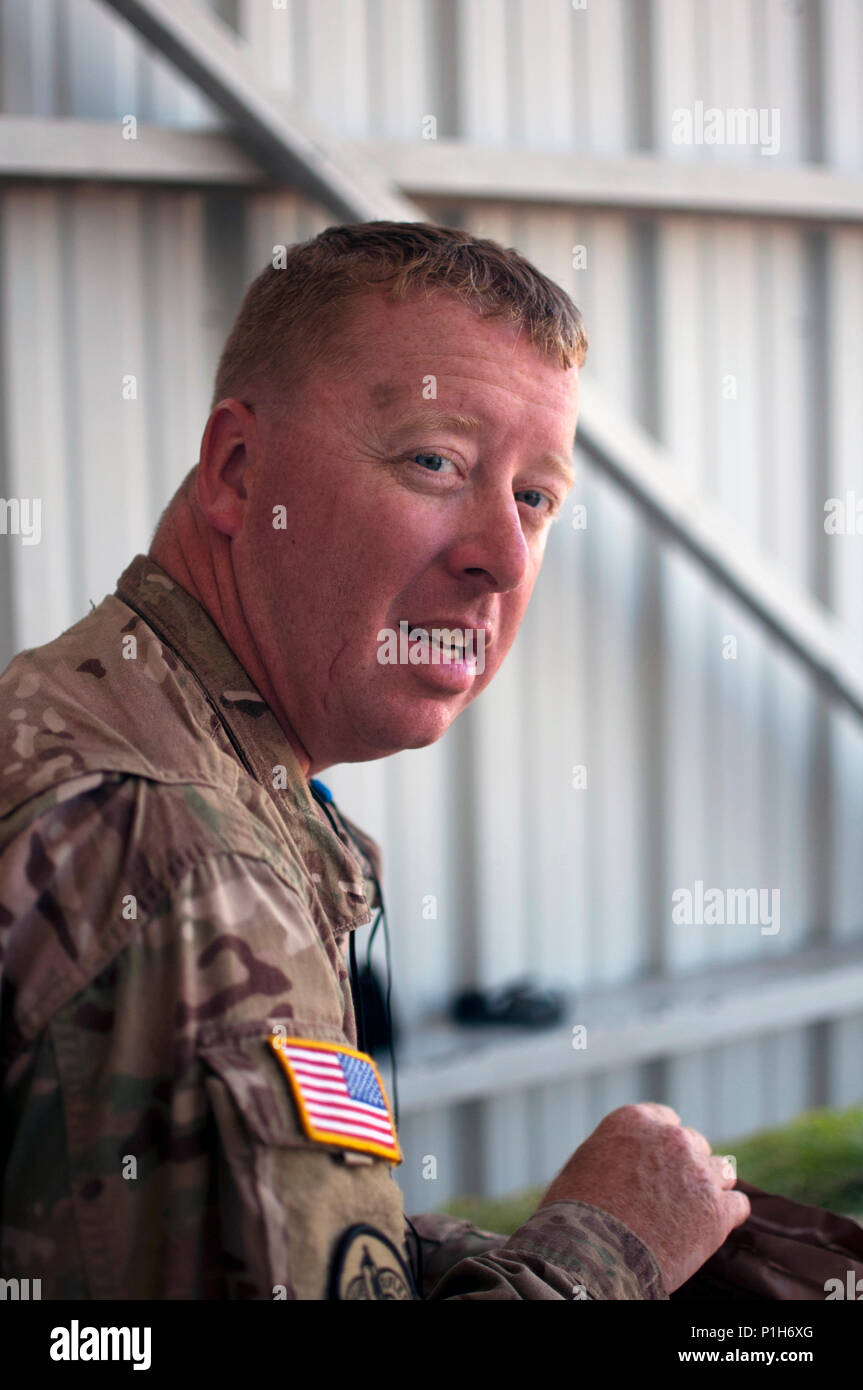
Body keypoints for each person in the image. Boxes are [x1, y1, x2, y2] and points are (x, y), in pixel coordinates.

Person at [0, 221, 749, 1300]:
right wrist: (601, 1255)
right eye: (434, 461)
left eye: (534, 497)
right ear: (236, 469)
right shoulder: (180, 866)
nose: (499, 554)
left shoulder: (83, 712)